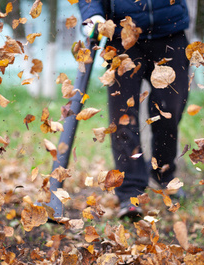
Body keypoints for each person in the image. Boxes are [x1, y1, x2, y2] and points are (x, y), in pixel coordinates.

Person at [78, 0, 190, 219]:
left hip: (170, 30)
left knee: (170, 109)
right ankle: (130, 191)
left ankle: (163, 172)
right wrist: (92, 14)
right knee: (123, 118)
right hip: (122, 37)